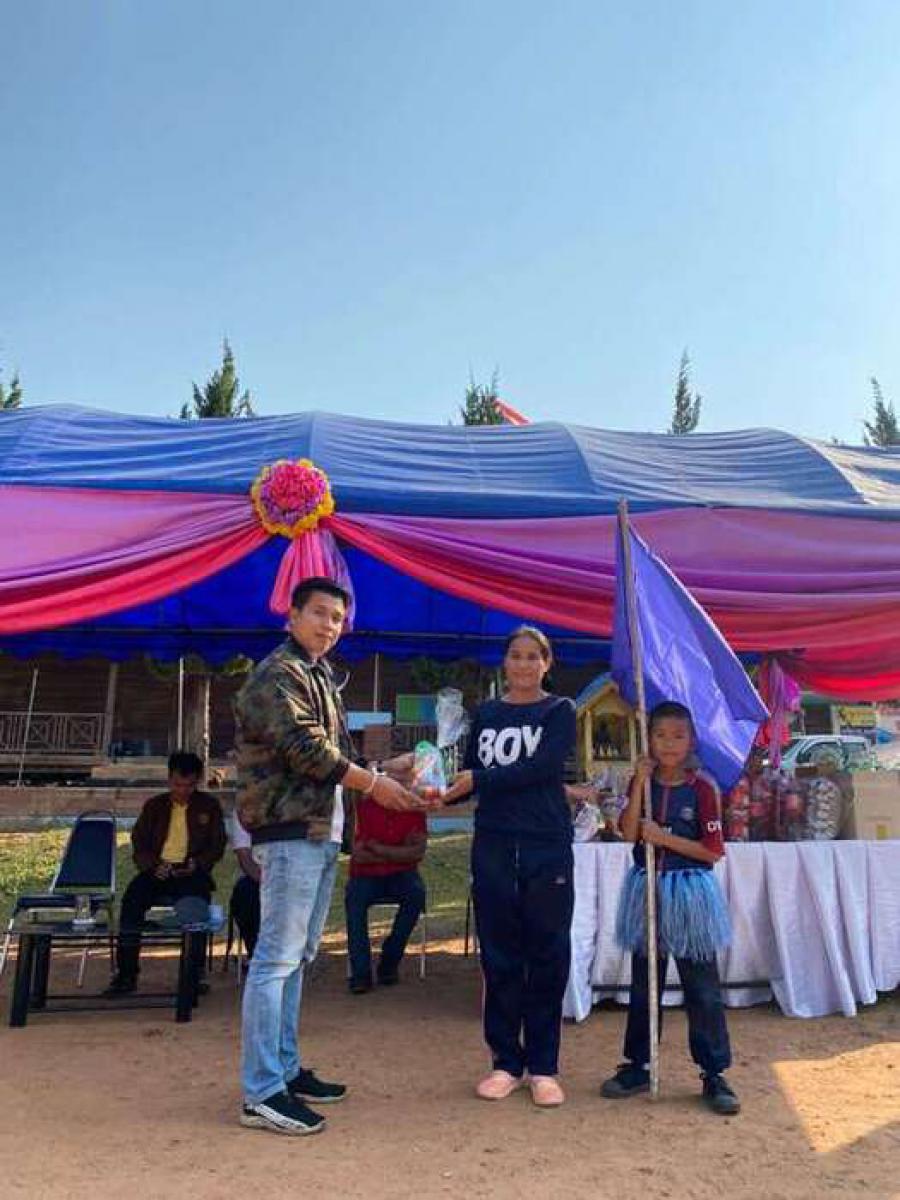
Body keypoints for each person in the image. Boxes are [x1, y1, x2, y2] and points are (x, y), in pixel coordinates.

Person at [234, 575, 419, 1138]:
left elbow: (336, 755)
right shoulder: (277, 674)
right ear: (291, 615)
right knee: (275, 959)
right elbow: (305, 749)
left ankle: (285, 1070)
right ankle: (261, 1091)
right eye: (318, 613)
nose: (328, 625)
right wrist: (375, 785)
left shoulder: (317, 676)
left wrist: (385, 770)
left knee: (297, 957)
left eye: (337, 618)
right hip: (289, 830)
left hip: (318, 831)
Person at [442, 625, 576, 1108]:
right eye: (515, 655)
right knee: (499, 955)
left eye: (532, 656)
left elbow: (542, 768)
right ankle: (505, 1062)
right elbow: (470, 775)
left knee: (547, 953)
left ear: (547, 663)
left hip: (546, 845)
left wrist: (479, 779)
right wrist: (433, 782)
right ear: (504, 662)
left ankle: (543, 1067)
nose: (523, 664)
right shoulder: (487, 714)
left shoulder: (559, 711)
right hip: (494, 843)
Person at [600, 700, 740, 1116]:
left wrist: (664, 839)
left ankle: (713, 1072)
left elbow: (713, 851)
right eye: (660, 735)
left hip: (690, 893)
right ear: (649, 740)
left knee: (702, 987)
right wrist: (639, 785)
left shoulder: (703, 789)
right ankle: (639, 1065)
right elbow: (629, 835)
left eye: (678, 736)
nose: (669, 744)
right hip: (647, 890)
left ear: (691, 740)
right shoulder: (641, 783)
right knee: (646, 983)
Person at [104, 750, 226, 996]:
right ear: (169, 779)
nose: (183, 791)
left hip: (191, 873)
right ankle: (126, 973)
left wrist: (198, 863)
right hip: (157, 871)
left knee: (195, 911)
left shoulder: (209, 806)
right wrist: (152, 865)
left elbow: (217, 844)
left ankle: (193, 974)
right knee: (131, 902)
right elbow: (139, 843)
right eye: (178, 785)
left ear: (197, 782)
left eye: (189, 786)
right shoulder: (154, 806)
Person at [345, 792, 427, 993]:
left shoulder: (414, 806)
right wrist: (398, 853)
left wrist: (376, 848)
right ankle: (360, 974)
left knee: (416, 895)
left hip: (403, 874)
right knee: (354, 900)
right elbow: (358, 854)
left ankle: (389, 961)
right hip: (365, 874)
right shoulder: (361, 805)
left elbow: (417, 852)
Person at [230, 810, 261, 959]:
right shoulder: (244, 810)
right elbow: (244, 856)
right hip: (257, 877)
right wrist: (265, 881)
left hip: (292, 877)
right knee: (246, 893)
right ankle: (256, 954)